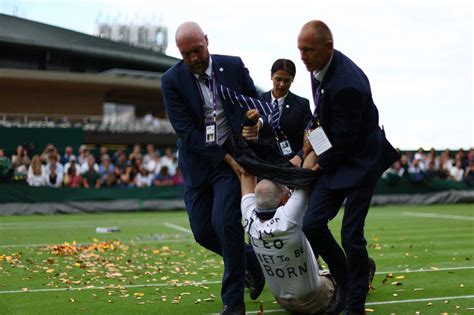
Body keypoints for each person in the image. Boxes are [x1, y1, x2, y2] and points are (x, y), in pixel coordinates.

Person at [296, 20, 399, 314]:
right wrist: (310, 139)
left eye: (309, 50)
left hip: (362, 161)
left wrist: (316, 165)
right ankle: (346, 281)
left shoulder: (347, 85)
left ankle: (354, 305)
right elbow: (321, 115)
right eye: (300, 49)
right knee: (312, 224)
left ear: (328, 47)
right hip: (339, 155)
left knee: (351, 235)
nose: (303, 56)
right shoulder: (318, 67)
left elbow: (343, 141)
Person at [160, 21, 264, 315]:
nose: (193, 58)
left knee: (226, 225)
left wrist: (255, 120)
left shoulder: (232, 66)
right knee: (203, 232)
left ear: (207, 41)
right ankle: (254, 261)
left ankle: (233, 303)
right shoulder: (171, 81)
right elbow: (187, 132)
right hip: (197, 163)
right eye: (186, 54)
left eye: (197, 50)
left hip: (230, 163)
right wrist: (224, 158)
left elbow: (252, 101)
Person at [240, 151, 336, 314]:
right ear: (283, 200)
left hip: (282, 300)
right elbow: (306, 174)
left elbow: (245, 173)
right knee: (344, 278)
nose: (290, 193)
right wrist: (308, 148)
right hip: (313, 299)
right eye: (288, 192)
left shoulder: (248, 217)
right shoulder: (288, 217)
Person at [260, 59, 312, 159]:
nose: (282, 84)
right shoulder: (258, 100)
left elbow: (309, 134)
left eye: (286, 80)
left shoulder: (302, 105)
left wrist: (299, 156)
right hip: (261, 160)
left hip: (290, 161)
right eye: (278, 79)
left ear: (293, 79)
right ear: (271, 76)